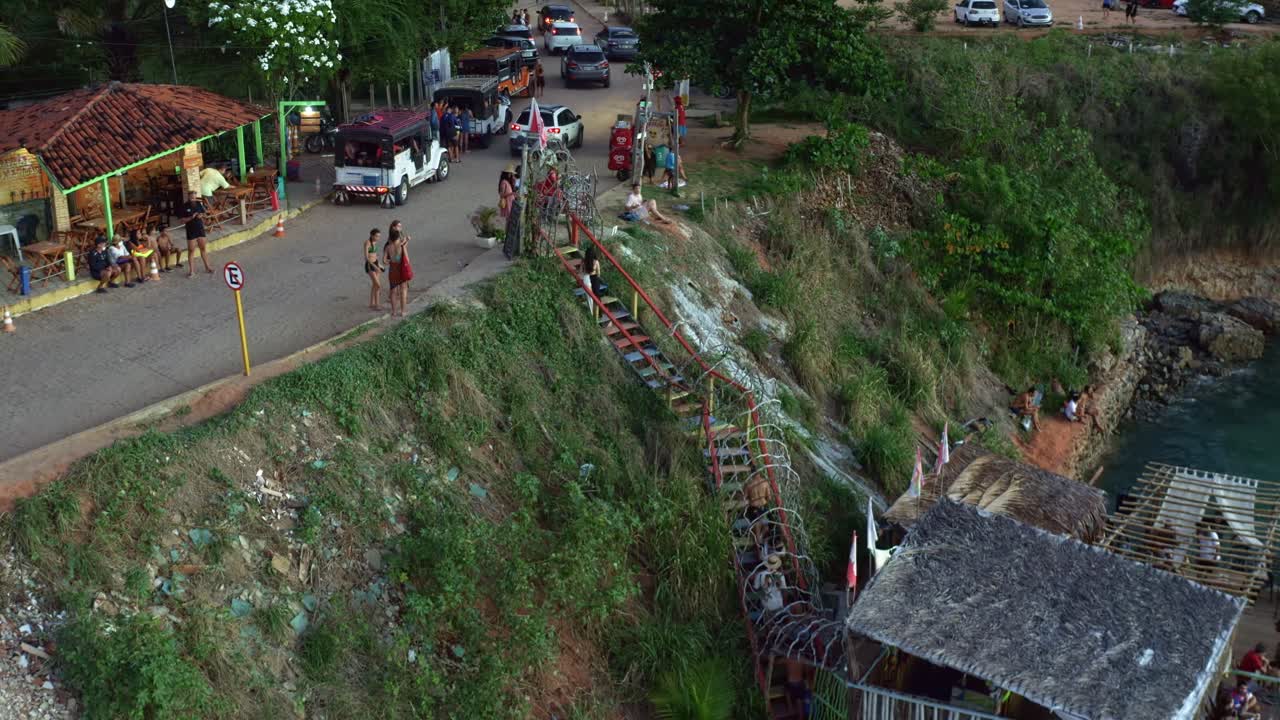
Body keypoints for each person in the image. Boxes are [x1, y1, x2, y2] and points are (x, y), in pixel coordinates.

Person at [178, 190, 214, 278]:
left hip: (200, 229)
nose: (193, 198)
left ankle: (207, 267)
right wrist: (191, 217)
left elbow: (204, 214)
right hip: (191, 231)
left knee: (203, 249)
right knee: (191, 251)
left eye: (194, 196)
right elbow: (181, 220)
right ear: (189, 197)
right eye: (192, 197)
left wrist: (201, 216)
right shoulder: (184, 206)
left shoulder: (198, 204)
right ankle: (191, 271)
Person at [384, 222, 412, 317]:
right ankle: (403, 311)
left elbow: (384, 261)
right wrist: (405, 243)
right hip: (401, 269)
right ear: (398, 237)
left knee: (393, 291)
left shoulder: (388, 246)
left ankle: (394, 312)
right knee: (403, 290)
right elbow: (407, 259)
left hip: (393, 269)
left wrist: (391, 261)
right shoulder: (401, 245)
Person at [364, 228, 384, 311]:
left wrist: (379, 265)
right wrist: (375, 266)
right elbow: (366, 257)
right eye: (376, 236)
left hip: (375, 263)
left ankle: (372, 303)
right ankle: (377, 304)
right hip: (370, 265)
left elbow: (375, 255)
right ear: (372, 235)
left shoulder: (375, 243)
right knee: (378, 285)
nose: (378, 238)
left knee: (374, 285)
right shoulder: (367, 243)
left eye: (379, 236)